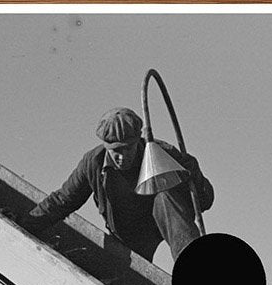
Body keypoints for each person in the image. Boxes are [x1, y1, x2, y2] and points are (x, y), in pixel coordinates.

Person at [21, 107, 214, 262]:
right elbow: (63, 200)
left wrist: (194, 173)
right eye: (116, 151)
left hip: (160, 221)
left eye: (128, 149)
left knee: (165, 198)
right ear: (106, 147)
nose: (122, 157)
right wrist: (26, 225)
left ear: (138, 141)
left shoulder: (161, 153)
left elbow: (203, 202)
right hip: (127, 234)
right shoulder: (93, 163)